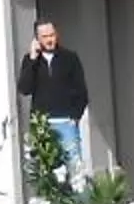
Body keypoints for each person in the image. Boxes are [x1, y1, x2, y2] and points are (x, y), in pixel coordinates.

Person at [17, 19, 92, 182]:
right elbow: (24, 89)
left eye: (52, 35)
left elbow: (82, 91)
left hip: (66, 122)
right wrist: (32, 59)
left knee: (75, 170)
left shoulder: (70, 58)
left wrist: (74, 117)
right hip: (42, 124)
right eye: (45, 36)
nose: (49, 40)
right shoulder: (31, 61)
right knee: (45, 172)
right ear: (37, 39)